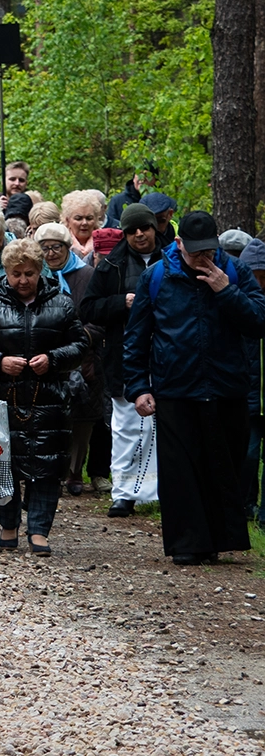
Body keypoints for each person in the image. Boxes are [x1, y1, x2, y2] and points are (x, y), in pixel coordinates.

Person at [122, 210, 265, 564]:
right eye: (196, 250)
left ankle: (216, 541)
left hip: (226, 387)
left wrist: (225, 291)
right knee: (181, 471)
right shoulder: (157, 275)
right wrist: (139, 387)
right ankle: (187, 544)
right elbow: (136, 336)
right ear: (179, 243)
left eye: (209, 249)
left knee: (223, 466)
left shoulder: (235, 272)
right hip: (175, 388)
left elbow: (258, 322)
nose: (204, 256)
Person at [0, 238, 88, 555]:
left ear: (40, 271)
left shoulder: (61, 303)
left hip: (50, 397)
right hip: (5, 397)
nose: (22, 280)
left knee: (47, 465)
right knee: (3, 463)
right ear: (6, 272)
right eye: (16, 274)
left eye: (29, 273)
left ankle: (40, 529)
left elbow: (81, 345)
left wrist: (53, 359)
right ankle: (8, 524)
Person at [78, 202, 164, 517]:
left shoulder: (173, 259)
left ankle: (161, 490)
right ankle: (125, 492)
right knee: (127, 425)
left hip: (168, 355)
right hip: (124, 355)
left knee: (164, 426)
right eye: (132, 230)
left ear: (154, 228)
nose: (139, 234)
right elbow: (88, 308)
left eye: (145, 228)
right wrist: (120, 303)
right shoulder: (111, 266)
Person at [60, 190, 107, 265]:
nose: (84, 223)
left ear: (96, 219)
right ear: (67, 220)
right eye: (78, 218)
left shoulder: (106, 242)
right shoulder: (59, 243)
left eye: (89, 218)